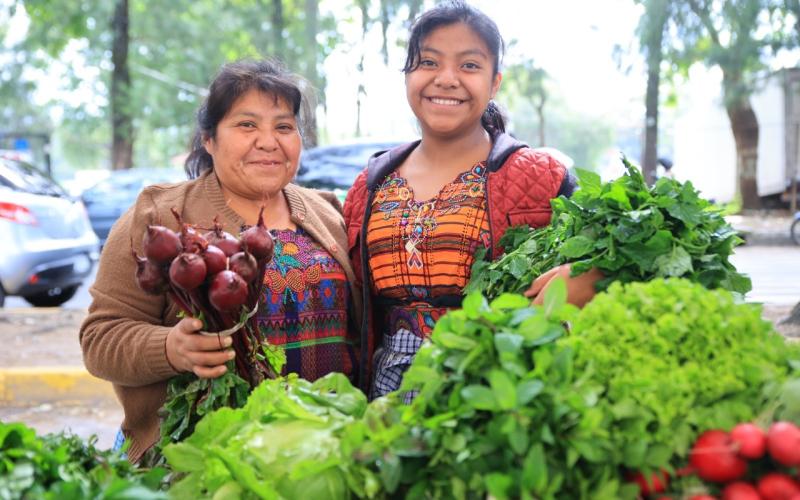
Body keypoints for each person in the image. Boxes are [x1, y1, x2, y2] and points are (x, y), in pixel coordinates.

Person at [80, 59, 361, 463]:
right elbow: (99, 338)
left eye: (284, 127)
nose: (268, 141)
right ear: (209, 139)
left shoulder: (327, 212)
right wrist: (171, 349)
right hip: (199, 464)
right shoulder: (157, 215)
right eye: (247, 125)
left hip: (321, 454)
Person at [343, 0, 601, 400]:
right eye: (428, 62)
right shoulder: (369, 185)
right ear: (408, 74)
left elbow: (612, 257)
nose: (446, 79)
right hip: (386, 400)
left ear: (495, 82)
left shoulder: (541, 177)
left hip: (503, 394)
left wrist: (591, 274)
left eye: (469, 65)